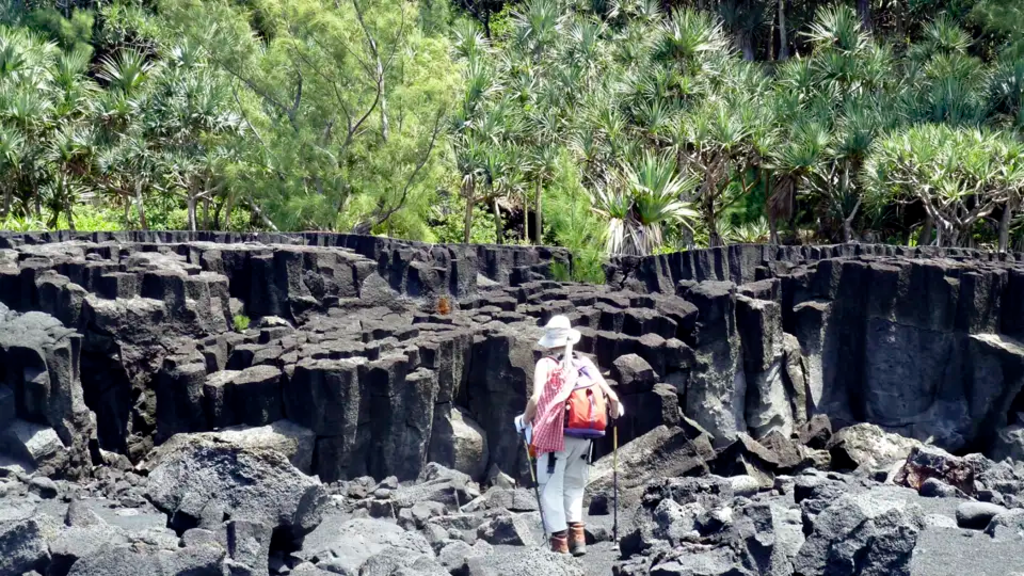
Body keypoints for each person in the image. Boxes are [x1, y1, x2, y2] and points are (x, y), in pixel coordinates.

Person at [517, 315, 623, 556]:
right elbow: (613, 399)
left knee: (550, 486)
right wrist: (615, 414)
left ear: (549, 341)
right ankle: (578, 538)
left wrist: (523, 421)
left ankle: (560, 543)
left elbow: (535, 399)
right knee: (574, 485)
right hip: (586, 437)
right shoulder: (585, 363)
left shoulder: (545, 364)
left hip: (557, 437)